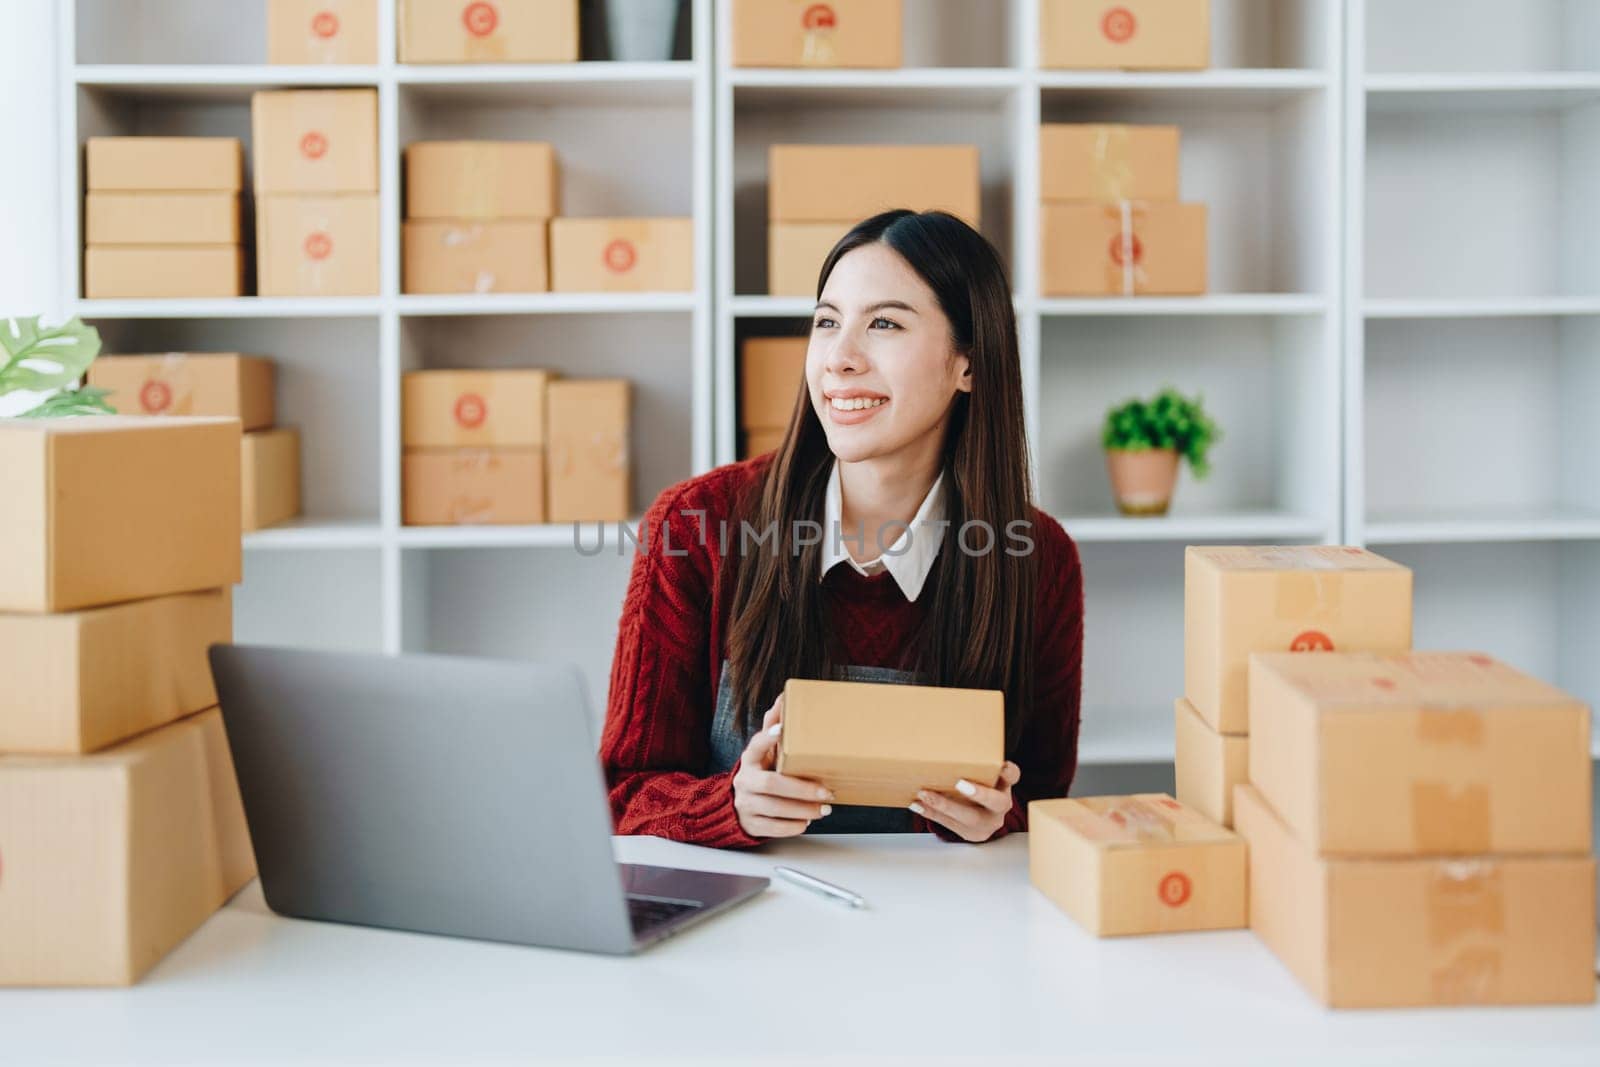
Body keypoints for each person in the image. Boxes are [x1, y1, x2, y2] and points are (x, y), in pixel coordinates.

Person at [601, 209, 1084, 847]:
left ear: (968, 363)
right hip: (743, 935)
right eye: (827, 322)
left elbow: (1042, 801)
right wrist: (729, 806)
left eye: (883, 323)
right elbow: (621, 794)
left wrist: (1000, 817)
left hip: (942, 928)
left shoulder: (1037, 559)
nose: (840, 358)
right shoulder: (697, 526)